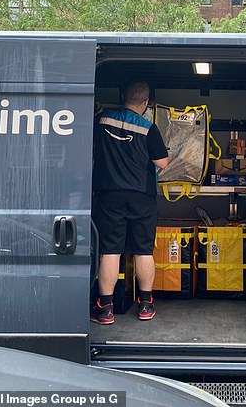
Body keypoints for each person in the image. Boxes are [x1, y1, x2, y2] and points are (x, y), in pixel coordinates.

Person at [91, 81, 169, 324]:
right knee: (143, 250)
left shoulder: (103, 120)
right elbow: (162, 163)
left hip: (109, 195)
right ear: (145, 103)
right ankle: (145, 304)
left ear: (122, 95)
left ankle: (105, 308)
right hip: (141, 197)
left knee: (110, 251)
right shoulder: (148, 127)